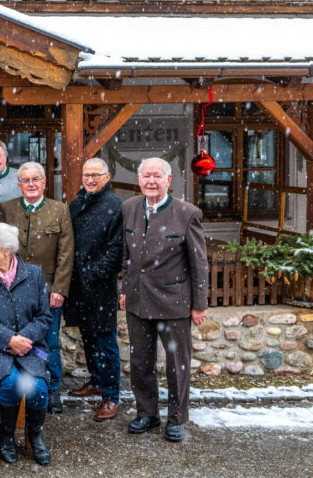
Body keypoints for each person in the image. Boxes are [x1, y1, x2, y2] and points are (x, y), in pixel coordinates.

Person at [121, 157, 208, 443]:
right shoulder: (129, 208)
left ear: (168, 180)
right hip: (137, 300)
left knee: (177, 365)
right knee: (141, 362)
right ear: (139, 179)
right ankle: (147, 413)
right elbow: (127, 254)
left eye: (157, 176)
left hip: (174, 302)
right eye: (146, 176)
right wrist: (125, 290)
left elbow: (199, 263)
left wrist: (199, 304)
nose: (151, 181)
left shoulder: (187, 213)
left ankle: (177, 418)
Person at [0, 223, 53, 466]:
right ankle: (6, 435)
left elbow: (44, 317)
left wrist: (24, 339)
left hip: (31, 347)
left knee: (39, 388)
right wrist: (9, 339)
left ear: (7, 249)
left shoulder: (34, 274)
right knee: (11, 384)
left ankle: (35, 435)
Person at [2, 161, 74, 414]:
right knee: (16, 339)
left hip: (48, 290)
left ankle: (52, 386)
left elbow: (66, 253)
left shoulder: (59, 210)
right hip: (13, 290)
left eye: (35, 179)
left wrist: (59, 289)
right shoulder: (7, 209)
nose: (31, 184)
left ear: (44, 183)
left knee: (49, 342)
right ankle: (16, 384)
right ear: (19, 184)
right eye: (26, 180)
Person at [65, 158, 123, 422]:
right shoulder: (76, 205)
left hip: (100, 286)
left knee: (105, 341)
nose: (89, 179)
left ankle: (111, 396)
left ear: (107, 177)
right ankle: (96, 381)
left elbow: (116, 250)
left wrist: (93, 274)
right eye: (86, 175)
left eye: (95, 175)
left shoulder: (115, 206)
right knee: (88, 337)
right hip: (78, 286)